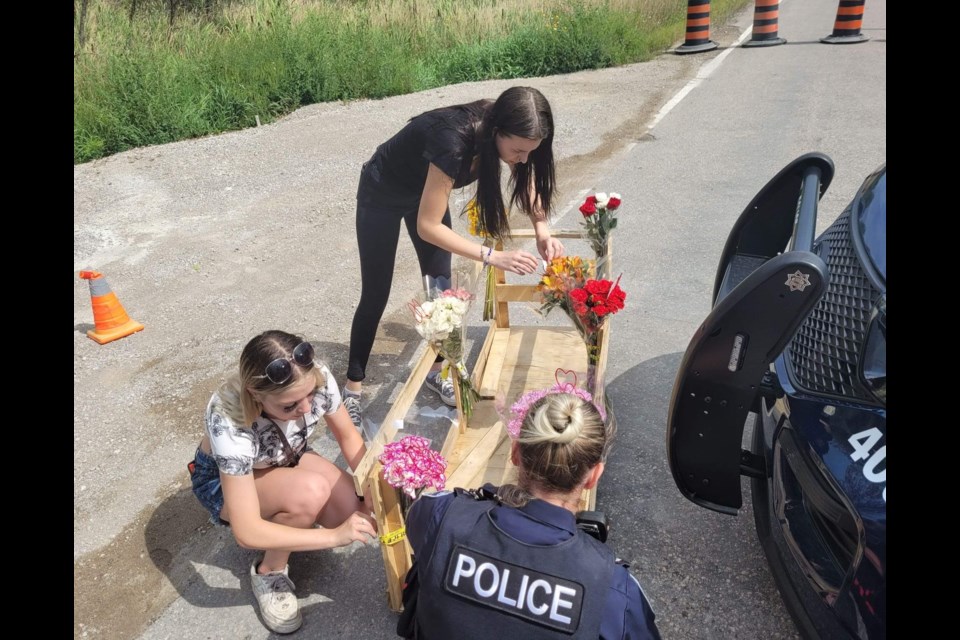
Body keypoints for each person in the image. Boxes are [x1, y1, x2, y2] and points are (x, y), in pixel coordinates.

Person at [343, 86, 566, 425]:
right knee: (376, 294)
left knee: (441, 293)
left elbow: (526, 177)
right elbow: (428, 227)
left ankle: (435, 371)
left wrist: (541, 228)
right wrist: (491, 256)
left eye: (529, 152)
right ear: (496, 132)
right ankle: (352, 390)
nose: (522, 158)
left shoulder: (507, 133)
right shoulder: (454, 142)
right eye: (518, 150)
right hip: (383, 192)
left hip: (427, 193)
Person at [399, 388, 662, 639]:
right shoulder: (613, 589)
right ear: (594, 476)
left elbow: (417, 521)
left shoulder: (442, 514)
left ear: (515, 453)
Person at [188, 329, 378, 634]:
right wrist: (334, 537)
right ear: (254, 394)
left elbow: (347, 437)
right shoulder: (228, 417)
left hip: (286, 453)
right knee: (310, 495)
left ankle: (292, 516)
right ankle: (269, 572)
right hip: (222, 483)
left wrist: (372, 486)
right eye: (288, 407)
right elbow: (246, 532)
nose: (305, 409)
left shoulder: (315, 376)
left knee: (363, 514)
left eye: (310, 396)